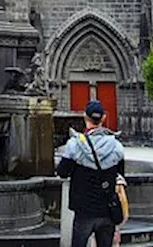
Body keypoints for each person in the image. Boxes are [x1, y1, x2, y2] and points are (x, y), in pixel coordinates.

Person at [56, 100, 125, 247]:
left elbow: (62, 172)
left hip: (83, 210)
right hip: (107, 210)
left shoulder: (75, 145)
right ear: (103, 118)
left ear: (84, 117)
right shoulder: (116, 147)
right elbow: (120, 174)